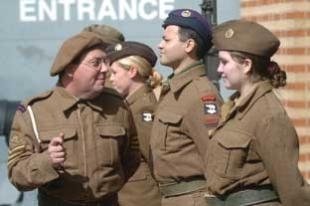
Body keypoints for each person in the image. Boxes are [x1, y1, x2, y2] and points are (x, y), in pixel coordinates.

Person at [7, 29, 140, 206]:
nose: (106, 69)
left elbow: (131, 158)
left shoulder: (117, 105)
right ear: (70, 68)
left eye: (105, 62)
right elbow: (17, 174)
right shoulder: (36, 110)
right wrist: (47, 161)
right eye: (96, 63)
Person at [205, 19, 310, 206]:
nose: (219, 69)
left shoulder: (269, 116)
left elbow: (292, 191)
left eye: (224, 62)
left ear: (246, 65)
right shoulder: (234, 107)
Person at [149, 9, 223, 206]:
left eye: (167, 40)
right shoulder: (174, 90)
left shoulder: (202, 95)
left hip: (194, 199)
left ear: (189, 45)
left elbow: (216, 158)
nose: (160, 45)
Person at [106, 41, 162, 206]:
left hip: (142, 198)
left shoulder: (143, 109)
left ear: (132, 71)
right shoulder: (130, 106)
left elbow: (155, 159)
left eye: (114, 72)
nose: (111, 78)